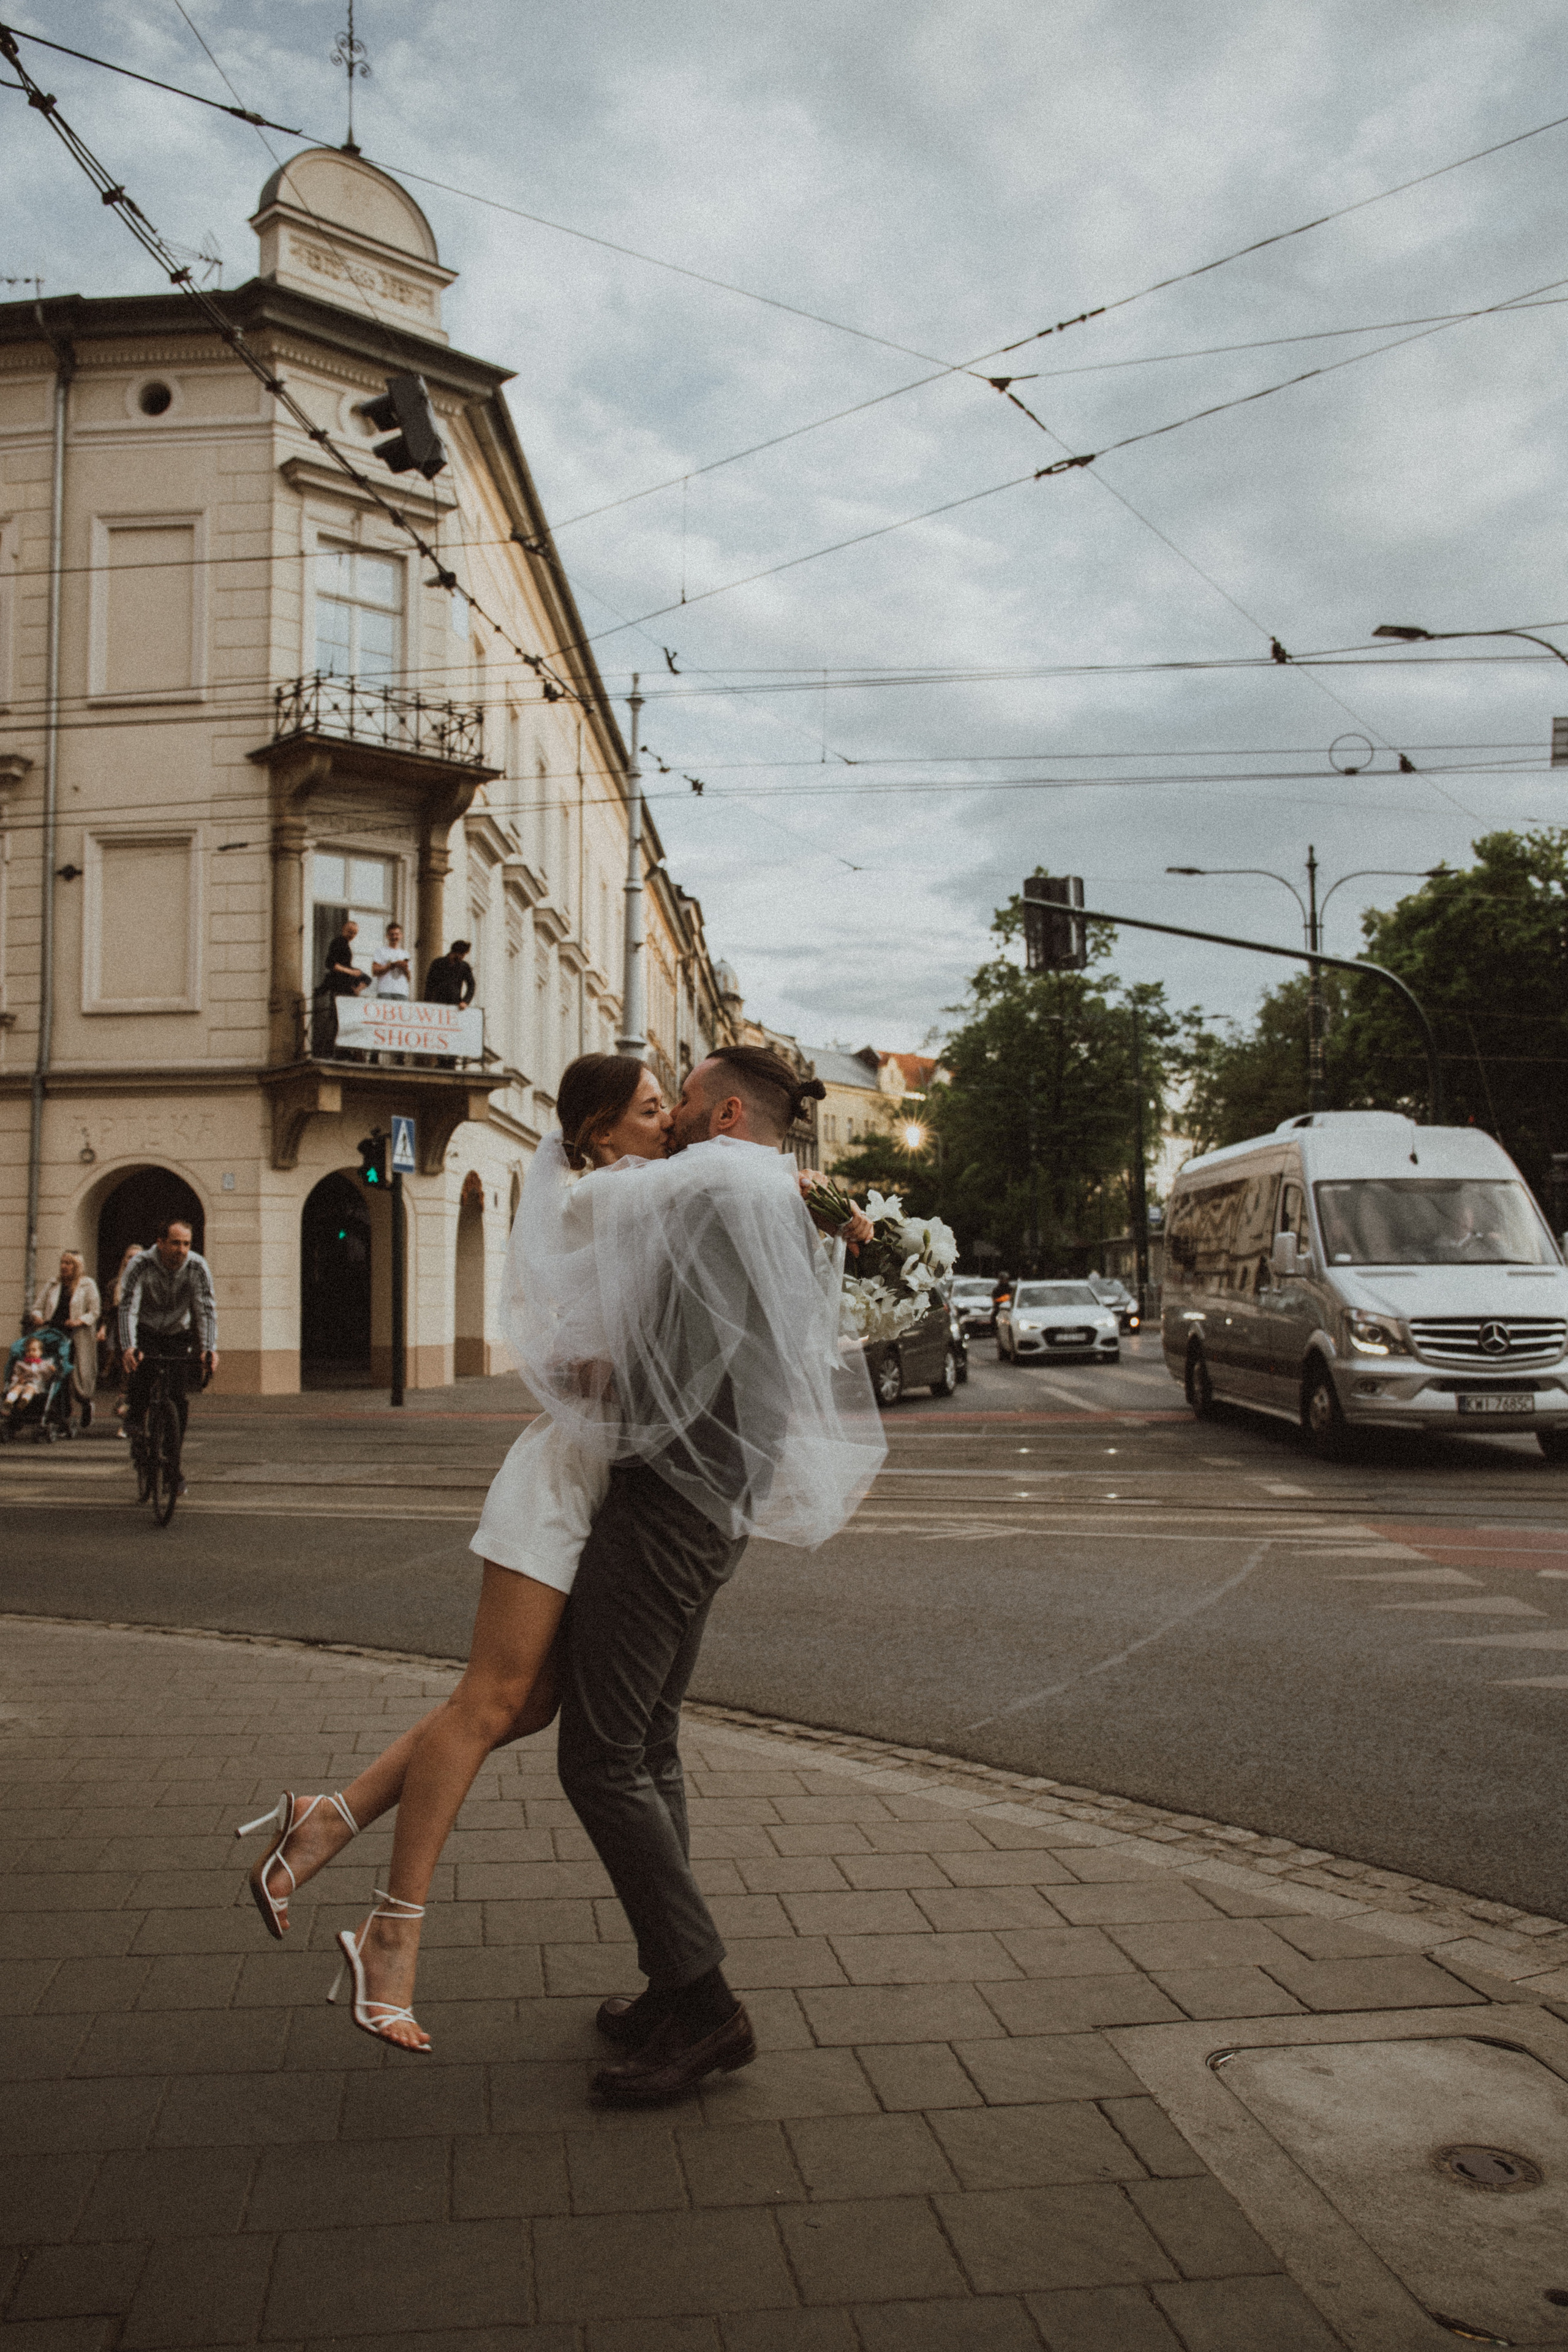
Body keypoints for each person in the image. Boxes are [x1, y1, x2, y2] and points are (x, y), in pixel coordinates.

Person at [235, 1048, 881, 2073]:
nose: (663, 1118)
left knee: (601, 1755)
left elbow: (656, 1374)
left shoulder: (714, 1192)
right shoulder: (724, 1189)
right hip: (693, 1501)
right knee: (592, 1728)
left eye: (676, 1101)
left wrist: (597, 1371)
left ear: (718, 1116)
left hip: (665, 1499)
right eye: (646, 1104)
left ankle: (699, 1997)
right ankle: (677, 1986)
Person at [120, 1221, 219, 1489]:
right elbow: (128, 1306)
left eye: (186, 1244)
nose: (182, 1250)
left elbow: (206, 1309)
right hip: (146, 1329)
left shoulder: (197, 1267)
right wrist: (129, 1347)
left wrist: (208, 1349)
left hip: (178, 1331)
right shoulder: (141, 1264)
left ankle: (173, 1468)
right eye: (176, 1243)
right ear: (160, 1242)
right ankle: (135, 1417)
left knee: (177, 1398)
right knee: (143, 1373)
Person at [30, 1249, 101, 1428]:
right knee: (55, 1371)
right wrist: (38, 1317)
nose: (64, 1266)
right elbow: (37, 1307)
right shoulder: (53, 1284)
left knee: (78, 1377)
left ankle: (85, 1403)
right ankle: (62, 1411)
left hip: (76, 1335)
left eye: (68, 1263)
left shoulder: (87, 1284)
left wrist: (79, 1321)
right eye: (62, 1262)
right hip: (54, 1333)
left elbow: (94, 1311)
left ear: (77, 1266)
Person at [323, 919, 369, 996]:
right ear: (343, 929)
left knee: (367, 979)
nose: (352, 935)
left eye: (355, 933)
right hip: (339, 981)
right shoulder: (338, 942)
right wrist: (351, 972)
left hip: (345, 979)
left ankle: (356, 990)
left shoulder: (345, 943)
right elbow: (330, 964)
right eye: (350, 932)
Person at [424, 938, 476, 1006]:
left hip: (455, 1004)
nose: (463, 957)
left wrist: (466, 1001)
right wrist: (427, 1002)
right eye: (462, 955)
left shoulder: (465, 967)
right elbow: (430, 984)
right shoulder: (438, 963)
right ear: (455, 953)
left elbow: (472, 985)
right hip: (438, 1003)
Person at [371, 922, 412, 999]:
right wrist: (391, 966)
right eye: (392, 934)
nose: (394, 937)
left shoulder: (406, 954)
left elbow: (409, 978)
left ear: (401, 936)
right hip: (385, 991)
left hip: (402, 992)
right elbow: (374, 971)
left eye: (397, 934)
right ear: (387, 936)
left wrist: (404, 968)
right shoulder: (381, 951)